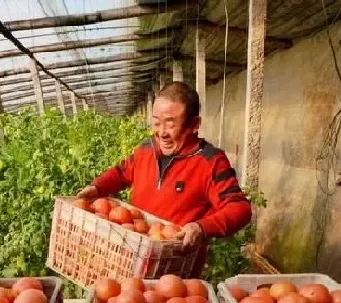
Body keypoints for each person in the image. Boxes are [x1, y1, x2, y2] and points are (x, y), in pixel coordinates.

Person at [76, 81, 252, 278]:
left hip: (175, 270)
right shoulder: (146, 149)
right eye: (156, 122)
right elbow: (121, 172)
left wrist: (201, 227)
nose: (161, 133)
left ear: (194, 125)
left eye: (170, 124)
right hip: (133, 260)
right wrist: (97, 187)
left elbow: (240, 208)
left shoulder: (210, 161)